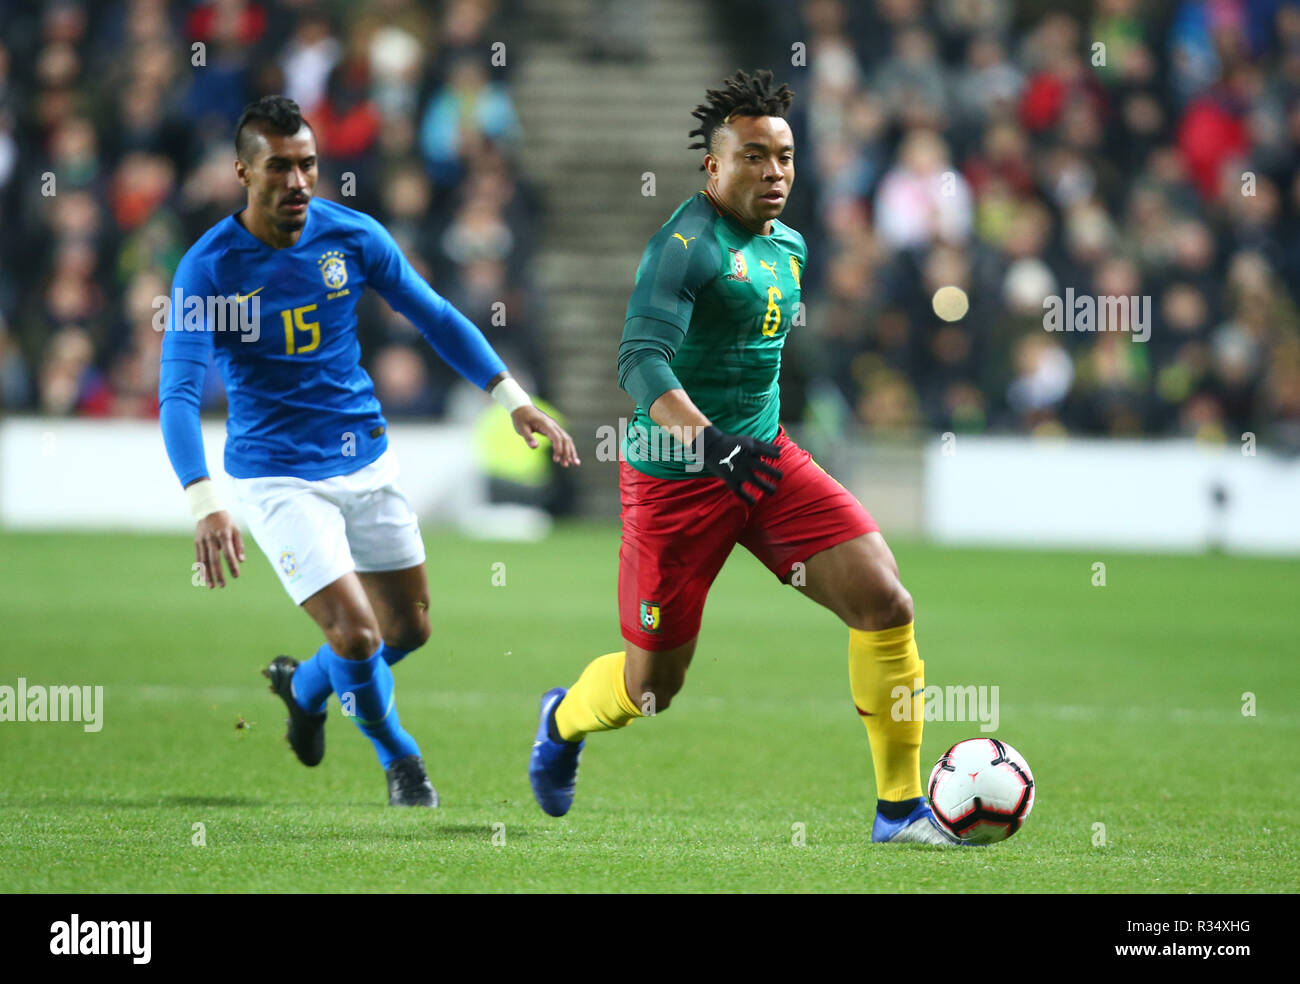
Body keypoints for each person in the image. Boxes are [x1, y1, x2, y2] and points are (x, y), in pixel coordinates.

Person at [528, 70, 957, 844]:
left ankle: (899, 811)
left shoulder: (789, 244)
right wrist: (707, 441)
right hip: (677, 480)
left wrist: (745, 442)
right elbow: (639, 362)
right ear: (713, 167)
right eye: (754, 156)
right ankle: (561, 720)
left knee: (886, 603)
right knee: (651, 689)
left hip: (762, 463)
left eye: (785, 157)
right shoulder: (684, 247)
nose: (774, 172)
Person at [159, 95, 577, 806]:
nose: (297, 182)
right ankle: (402, 761)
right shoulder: (208, 269)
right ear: (241, 171)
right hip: (278, 476)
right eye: (279, 168)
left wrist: (512, 399)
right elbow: (177, 392)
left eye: (308, 166)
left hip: (366, 459)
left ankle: (303, 687)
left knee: (407, 629)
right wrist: (206, 502)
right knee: (356, 635)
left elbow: (437, 316)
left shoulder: (351, 236)